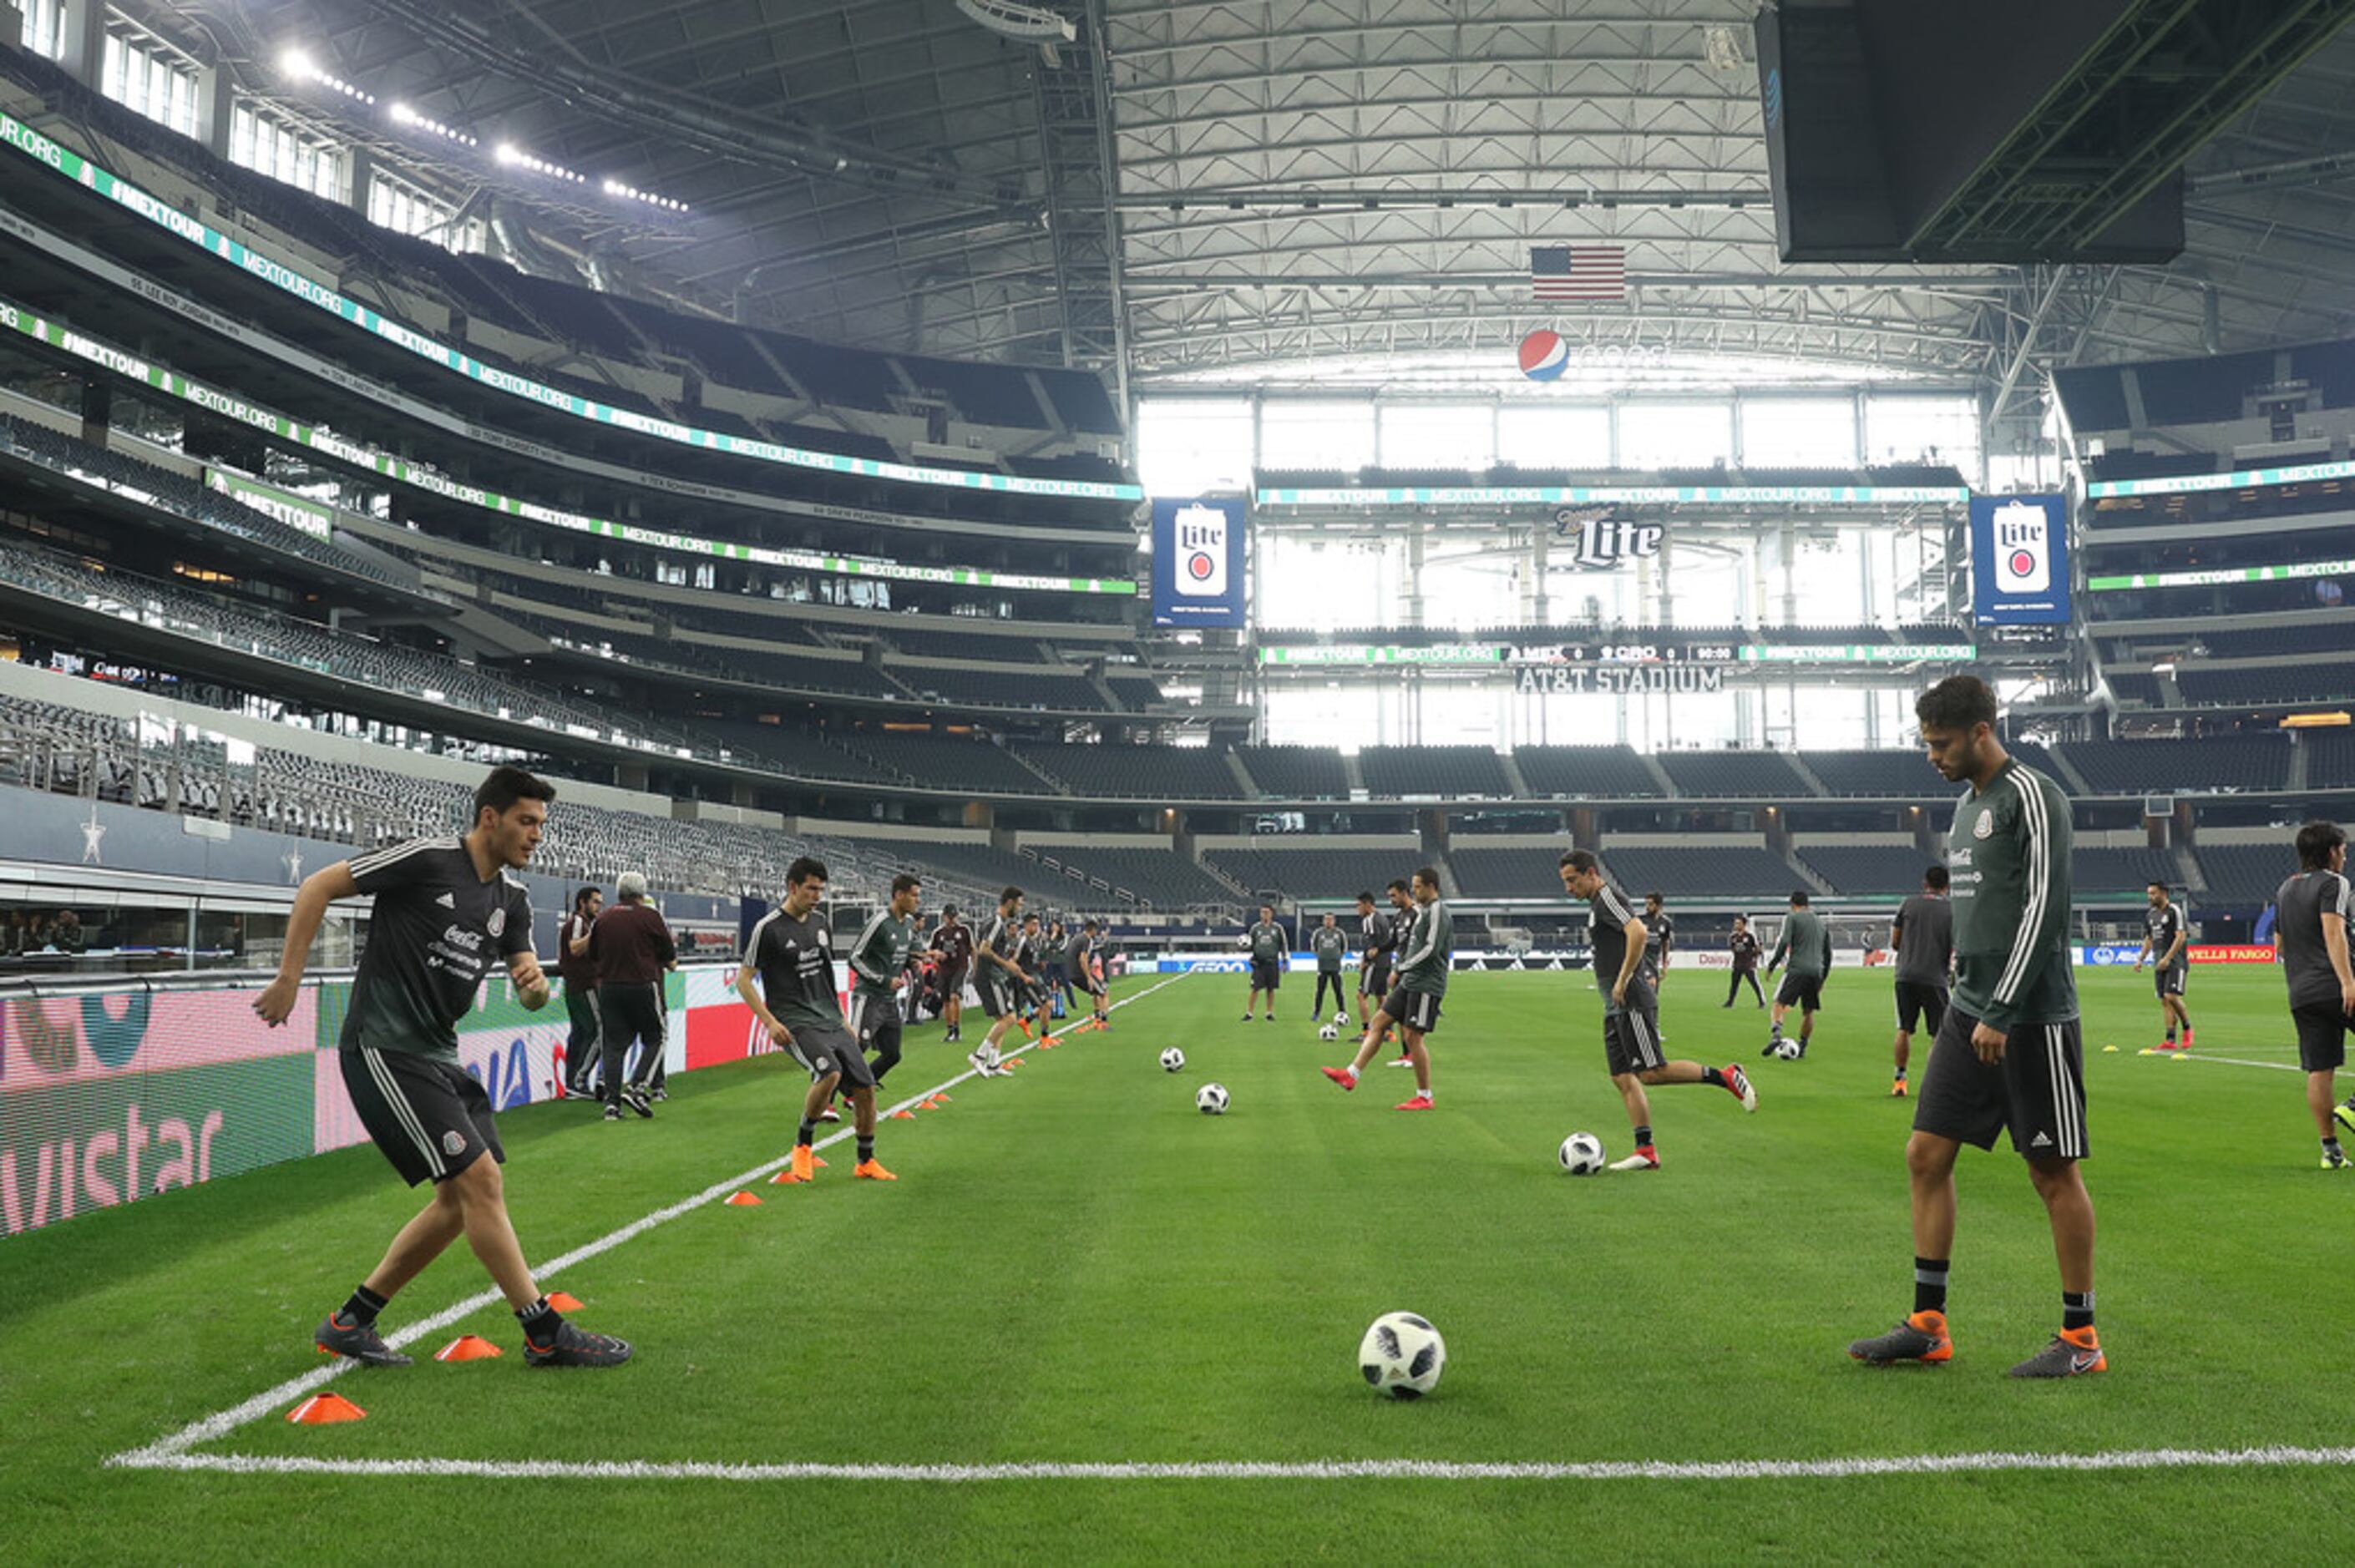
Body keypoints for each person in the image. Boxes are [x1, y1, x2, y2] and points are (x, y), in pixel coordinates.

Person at [256, 765, 631, 1369]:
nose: (537, 835)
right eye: (526, 822)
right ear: (491, 818)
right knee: (480, 1183)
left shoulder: (511, 900)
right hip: (383, 1047)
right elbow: (317, 887)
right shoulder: (429, 859)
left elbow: (529, 985)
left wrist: (535, 988)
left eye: (541, 824)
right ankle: (542, 1330)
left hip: (438, 1055)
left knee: (461, 1202)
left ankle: (352, 1321)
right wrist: (289, 978)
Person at [1847, 675, 2099, 1378]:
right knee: (1926, 1155)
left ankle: (2081, 1337)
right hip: (1968, 1009)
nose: (1933, 755)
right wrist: (1974, 999)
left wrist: (2004, 1006)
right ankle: (1929, 1323)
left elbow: (2048, 906)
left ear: (1982, 730)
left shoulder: (2034, 795)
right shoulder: (1965, 807)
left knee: (2051, 1171)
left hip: (2031, 1016)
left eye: (1942, 742)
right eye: (1927, 743)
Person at [1559, 849, 1756, 1170]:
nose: (1569, 888)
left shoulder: (1608, 897)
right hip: (1615, 1005)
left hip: (1631, 999)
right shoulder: (1598, 903)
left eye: (1572, 880)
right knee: (1623, 1077)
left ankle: (1726, 1076)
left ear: (1591, 873)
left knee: (1651, 1072)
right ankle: (1646, 1151)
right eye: (1565, 882)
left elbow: (1637, 932)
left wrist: (1623, 980)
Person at [737, 857, 894, 1184]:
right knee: (829, 1073)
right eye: (811, 889)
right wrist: (768, 1021)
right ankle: (803, 1147)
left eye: (821, 889)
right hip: (794, 1020)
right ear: (792, 887)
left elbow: (825, 973)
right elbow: (744, 980)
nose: (817, 895)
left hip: (829, 1018)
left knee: (865, 1087)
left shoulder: (821, 921)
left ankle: (865, 1161)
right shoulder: (768, 929)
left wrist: (841, 1016)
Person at [1321, 867, 1449, 1110]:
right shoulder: (1419, 913)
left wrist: (1401, 968)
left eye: (1418, 886)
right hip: (1411, 980)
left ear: (1431, 886)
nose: (1414, 890)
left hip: (1426, 982)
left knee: (1413, 1037)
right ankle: (1351, 1074)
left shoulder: (1437, 911)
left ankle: (1425, 1096)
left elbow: (1431, 949)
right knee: (1379, 1023)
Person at [2274, 822, 2355, 1168]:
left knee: (2320, 1069)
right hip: (2334, 984)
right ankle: (2352, 1108)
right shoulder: (2334, 883)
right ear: (2332, 851)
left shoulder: (2284, 889)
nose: (2345, 857)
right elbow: (2333, 931)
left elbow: (2280, 945)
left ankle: (2330, 1151)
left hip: (2301, 991)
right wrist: (2347, 982)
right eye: (2343, 850)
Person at [589, 871, 676, 1121]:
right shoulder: (650, 916)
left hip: (609, 987)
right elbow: (668, 953)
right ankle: (638, 1087)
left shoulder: (603, 919)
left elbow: (593, 954)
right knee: (657, 1036)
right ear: (642, 893)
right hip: (642, 985)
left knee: (613, 1046)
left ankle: (612, 1106)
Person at [848, 873, 927, 1097]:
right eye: (914, 895)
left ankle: (857, 1089)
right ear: (899, 895)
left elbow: (909, 952)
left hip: (890, 1000)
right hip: (869, 996)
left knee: (892, 1054)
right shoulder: (879, 922)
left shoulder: (909, 923)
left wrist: (916, 962)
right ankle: (827, 1101)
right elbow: (854, 957)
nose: (918, 901)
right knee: (856, 1048)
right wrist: (884, 980)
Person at [1889, 866, 1954, 1100]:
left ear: (1924, 882)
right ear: (1947, 885)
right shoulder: (1952, 909)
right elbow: (1955, 947)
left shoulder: (1908, 904)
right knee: (1938, 1033)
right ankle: (1933, 1085)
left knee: (1904, 1029)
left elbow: (1895, 942)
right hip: (1935, 977)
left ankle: (1899, 1080)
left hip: (1905, 975)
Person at [970, 887, 1030, 1076]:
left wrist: (1011, 965)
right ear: (1010, 903)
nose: (1020, 909)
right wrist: (1007, 965)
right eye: (1019, 904)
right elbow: (984, 949)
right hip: (989, 976)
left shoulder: (996, 922)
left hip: (991, 975)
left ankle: (994, 1064)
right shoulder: (995, 923)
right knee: (1010, 1018)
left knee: (1001, 1020)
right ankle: (979, 1056)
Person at [1765, 891, 1831, 1059]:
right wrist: (1823, 977)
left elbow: (1784, 941)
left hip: (1796, 969)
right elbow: (1828, 954)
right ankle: (1802, 1047)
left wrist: (1772, 965)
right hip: (1816, 972)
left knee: (1778, 1003)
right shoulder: (1821, 923)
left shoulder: (1792, 917)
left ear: (1792, 904)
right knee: (1808, 1012)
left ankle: (1776, 1035)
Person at [2134, 881, 2193, 1050]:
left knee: (2172, 996)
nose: (2150, 897)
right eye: (2149, 894)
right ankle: (2170, 1040)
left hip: (2176, 961)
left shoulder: (2174, 911)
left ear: (2164, 893)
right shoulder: (2151, 915)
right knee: (2165, 1001)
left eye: (2153, 893)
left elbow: (2180, 936)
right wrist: (2141, 959)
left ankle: (2188, 1028)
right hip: (2158, 962)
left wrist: (2167, 958)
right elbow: (2149, 939)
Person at [558, 885, 604, 1100]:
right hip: (585, 985)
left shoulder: (583, 923)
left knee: (579, 1034)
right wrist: (596, 934)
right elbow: (575, 948)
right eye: (595, 902)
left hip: (576, 986)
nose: (598, 907)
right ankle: (579, 1081)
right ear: (582, 903)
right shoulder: (578, 922)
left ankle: (571, 1084)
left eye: (600, 903)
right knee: (598, 1030)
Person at [1353, 890, 1396, 1050]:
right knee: (1381, 996)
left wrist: (1365, 960)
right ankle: (1387, 1031)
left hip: (1375, 963)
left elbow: (1372, 943)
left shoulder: (1369, 920)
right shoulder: (1383, 918)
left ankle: (1366, 1031)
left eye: (1359, 905)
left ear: (1367, 905)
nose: (1357, 909)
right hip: (1386, 962)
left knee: (1361, 995)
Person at [933, 906, 973, 1044]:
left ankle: (957, 1029)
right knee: (946, 1000)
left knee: (954, 996)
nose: (952, 920)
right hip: (944, 969)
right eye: (949, 917)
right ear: (944, 917)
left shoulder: (964, 931)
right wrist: (937, 955)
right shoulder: (939, 933)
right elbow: (931, 951)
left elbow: (972, 949)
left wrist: (975, 967)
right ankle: (950, 1030)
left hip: (959, 967)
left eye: (954, 917)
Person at [1243, 904, 1286, 1022]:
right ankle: (1249, 1013)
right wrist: (1250, 955)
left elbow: (1283, 945)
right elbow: (1250, 943)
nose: (1264, 914)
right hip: (1259, 963)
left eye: (1267, 912)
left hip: (1272, 962)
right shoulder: (1255, 928)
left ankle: (1269, 1013)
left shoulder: (1277, 928)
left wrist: (1285, 960)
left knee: (1270, 989)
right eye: (1262, 912)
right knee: (1255, 988)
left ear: (1271, 914)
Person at [1068, 917, 1111, 1029]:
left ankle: (1097, 1018)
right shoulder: (1087, 940)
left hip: (1071, 973)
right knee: (1104, 992)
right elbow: (1082, 959)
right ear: (1092, 930)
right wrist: (1088, 977)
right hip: (1079, 973)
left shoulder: (1077, 938)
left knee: (1095, 992)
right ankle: (1103, 1021)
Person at [1309, 913, 1350, 1022]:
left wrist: (1337, 957)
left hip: (1336, 967)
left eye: (1330, 919)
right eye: (1326, 919)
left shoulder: (1340, 933)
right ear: (1323, 921)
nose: (1328, 922)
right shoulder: (1318, 933)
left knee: (1338, 991)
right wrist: (1321, 956)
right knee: (1320, 991)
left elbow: (1344, 948)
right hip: (1322, 967)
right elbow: (1313, 947)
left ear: (1334, 921)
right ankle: (1316, 1013)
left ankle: (1342, 1012)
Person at [1724, 915, 1765, 1009]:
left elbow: (1758, 948)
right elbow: (1733, 949)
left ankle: (1761, 1001)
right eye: (1735, 923)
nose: (1736, 925)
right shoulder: (1733, 936)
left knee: (1754, 984)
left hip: (1748, 964)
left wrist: (1753, 956)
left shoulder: (1750, 936)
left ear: (1744, 924)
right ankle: (1730, 1002)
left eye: (1738, 923)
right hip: (1737, 964)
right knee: (1734, 985)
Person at [1643, 893, 1674, 989]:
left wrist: (1664, 966)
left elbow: (1665, 944)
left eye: (1650, 904)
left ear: (1659, 906)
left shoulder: (1666, 923)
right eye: (1646, 904)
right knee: (1651, 983)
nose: (1647, 907)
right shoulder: (1640, 920)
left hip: (1654, 962)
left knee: (1653, 995)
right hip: (1641, 960)